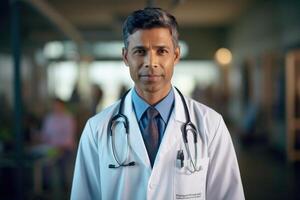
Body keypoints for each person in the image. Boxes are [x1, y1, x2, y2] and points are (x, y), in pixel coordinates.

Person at [71, 7, 244, 200]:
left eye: (161, 51)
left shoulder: (211, 125)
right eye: (140, 51)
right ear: (126, 57)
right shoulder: (96, 129)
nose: (151, 62)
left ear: (175, 56)